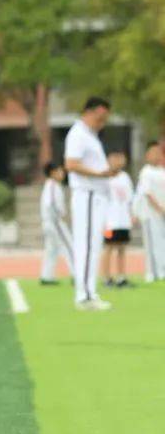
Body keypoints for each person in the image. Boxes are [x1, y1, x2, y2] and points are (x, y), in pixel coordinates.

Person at [64, 97, 121, 311]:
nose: (102, 123)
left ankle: (88, 292)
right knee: (87, 246)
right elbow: (71, 164)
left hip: (96, 195)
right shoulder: (78, 133)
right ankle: (85, 295)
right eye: (100, 118)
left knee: (92, 245)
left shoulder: (91, 136)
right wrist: (99, 174)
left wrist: (108, 171)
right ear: (89, 112)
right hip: (87, 194)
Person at [103, 151, 135, 288]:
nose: (118, 161)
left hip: (123, 220)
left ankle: (121, 277)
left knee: (122, 247)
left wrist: (132, 214)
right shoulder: (104, 177)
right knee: (109, 248)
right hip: (109, 222)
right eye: (115, 158)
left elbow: (130, 198)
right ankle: (107, 278)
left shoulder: (125, 177)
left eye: (120, 158)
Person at [39, 162, 74, 286]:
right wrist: (59, 214)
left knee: (51, 250)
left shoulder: (51, 185)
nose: (62, 173)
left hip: (48, 222)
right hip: (54, 222)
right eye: (60, 171)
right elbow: (51, 203)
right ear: (53, 173)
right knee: (69, 247)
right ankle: (77, 274)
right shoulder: (53, 186)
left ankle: (47, 276)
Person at [135, 143, 165, 283]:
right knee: (152, 243)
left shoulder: (162, 171)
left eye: (158, 152)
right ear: (147, 155)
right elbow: (147, 193)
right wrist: (160, 208)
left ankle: (162, 270)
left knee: (161, 243)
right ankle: (152, 273)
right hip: (150, 215)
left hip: (162, 215)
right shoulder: (146, 172)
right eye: (153, 152)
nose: (156, 155)